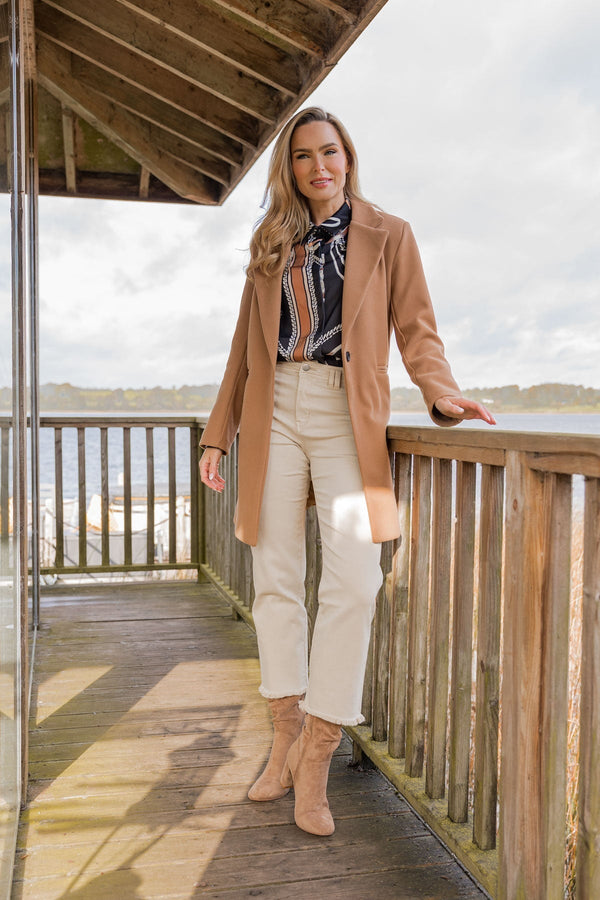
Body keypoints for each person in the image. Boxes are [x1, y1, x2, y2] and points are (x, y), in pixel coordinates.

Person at [199, 107, 495, 837]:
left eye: (329, 152)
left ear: (349, 158)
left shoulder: (389, 234)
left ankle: (319, 751)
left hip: (344, 417)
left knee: (356, 582)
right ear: (290, 169)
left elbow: (417, 329)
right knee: (274, 577)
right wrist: (218, 435)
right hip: (273, 411)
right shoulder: (271, 241)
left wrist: (441, 393)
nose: (319, 166)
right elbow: (243, 348)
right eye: (304, 156)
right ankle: (284, 735)